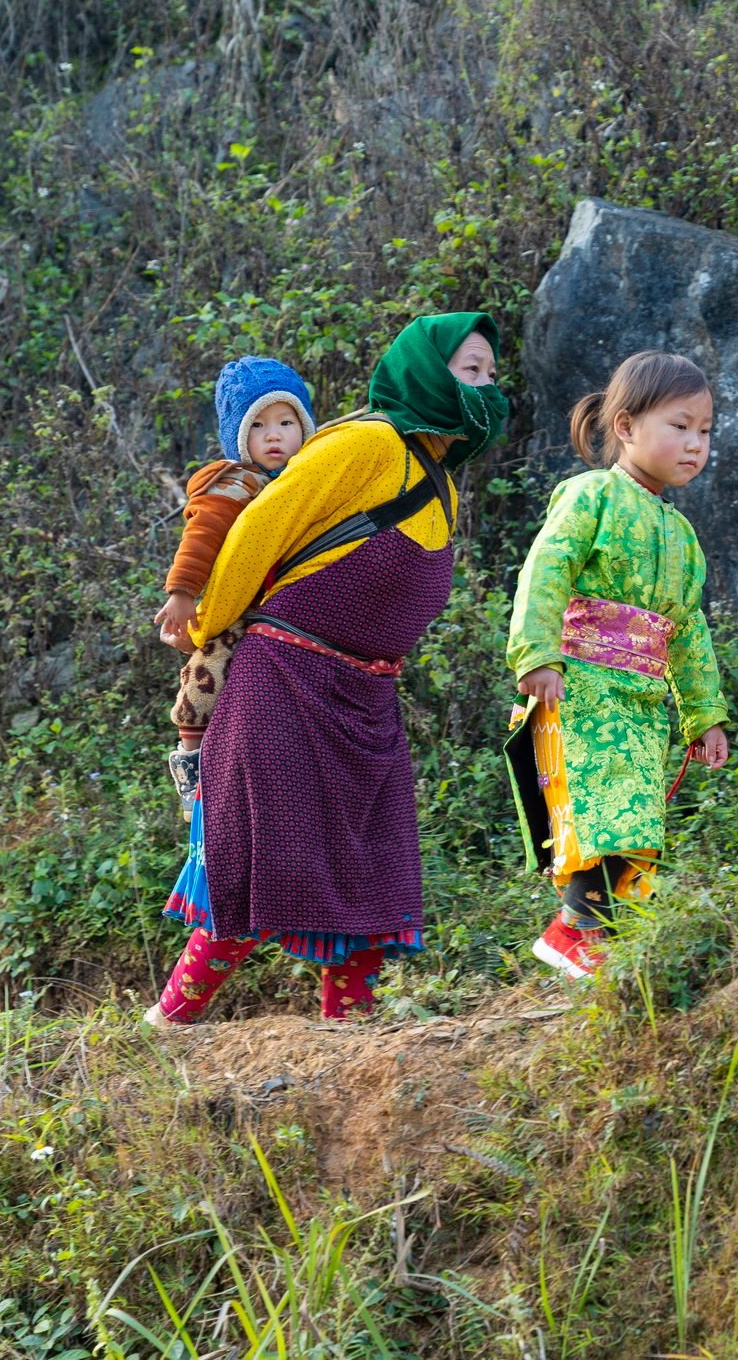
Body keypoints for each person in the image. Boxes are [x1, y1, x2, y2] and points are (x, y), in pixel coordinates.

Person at [146, 313, 509, 1027]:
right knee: (254, 860)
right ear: (427, 374)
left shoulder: (440, 480)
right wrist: (203, 620)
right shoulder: (369, 443)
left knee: (373, 873)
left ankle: (352, 1030)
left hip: (365, 698)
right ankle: (169, 1024)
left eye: (492, 376)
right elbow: (260, 526)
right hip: (281, 682)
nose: (485, 388)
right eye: (470, 371)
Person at [505, 351, 730, 980]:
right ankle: (575, 932)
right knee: (606, 808)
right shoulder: (591, 495)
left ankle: (605, 943)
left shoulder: (682, 535)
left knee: (639, 819)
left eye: (705, 431)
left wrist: (704, 716)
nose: (695, 444)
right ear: (626, 427)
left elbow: (688, 632)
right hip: (584, 686)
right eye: (679, 426)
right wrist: (537, 654)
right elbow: (545, 570)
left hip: (644, 697)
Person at [155, 356, 315, 817]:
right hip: (240, 605)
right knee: (207, 670)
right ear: (238, 436)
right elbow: (200, 538)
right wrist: (183, 593)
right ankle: (191, 762)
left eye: (287, 421)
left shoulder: (307, 478)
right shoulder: (234, 483)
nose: (273, 435)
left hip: (286, 603)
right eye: (258, 425)